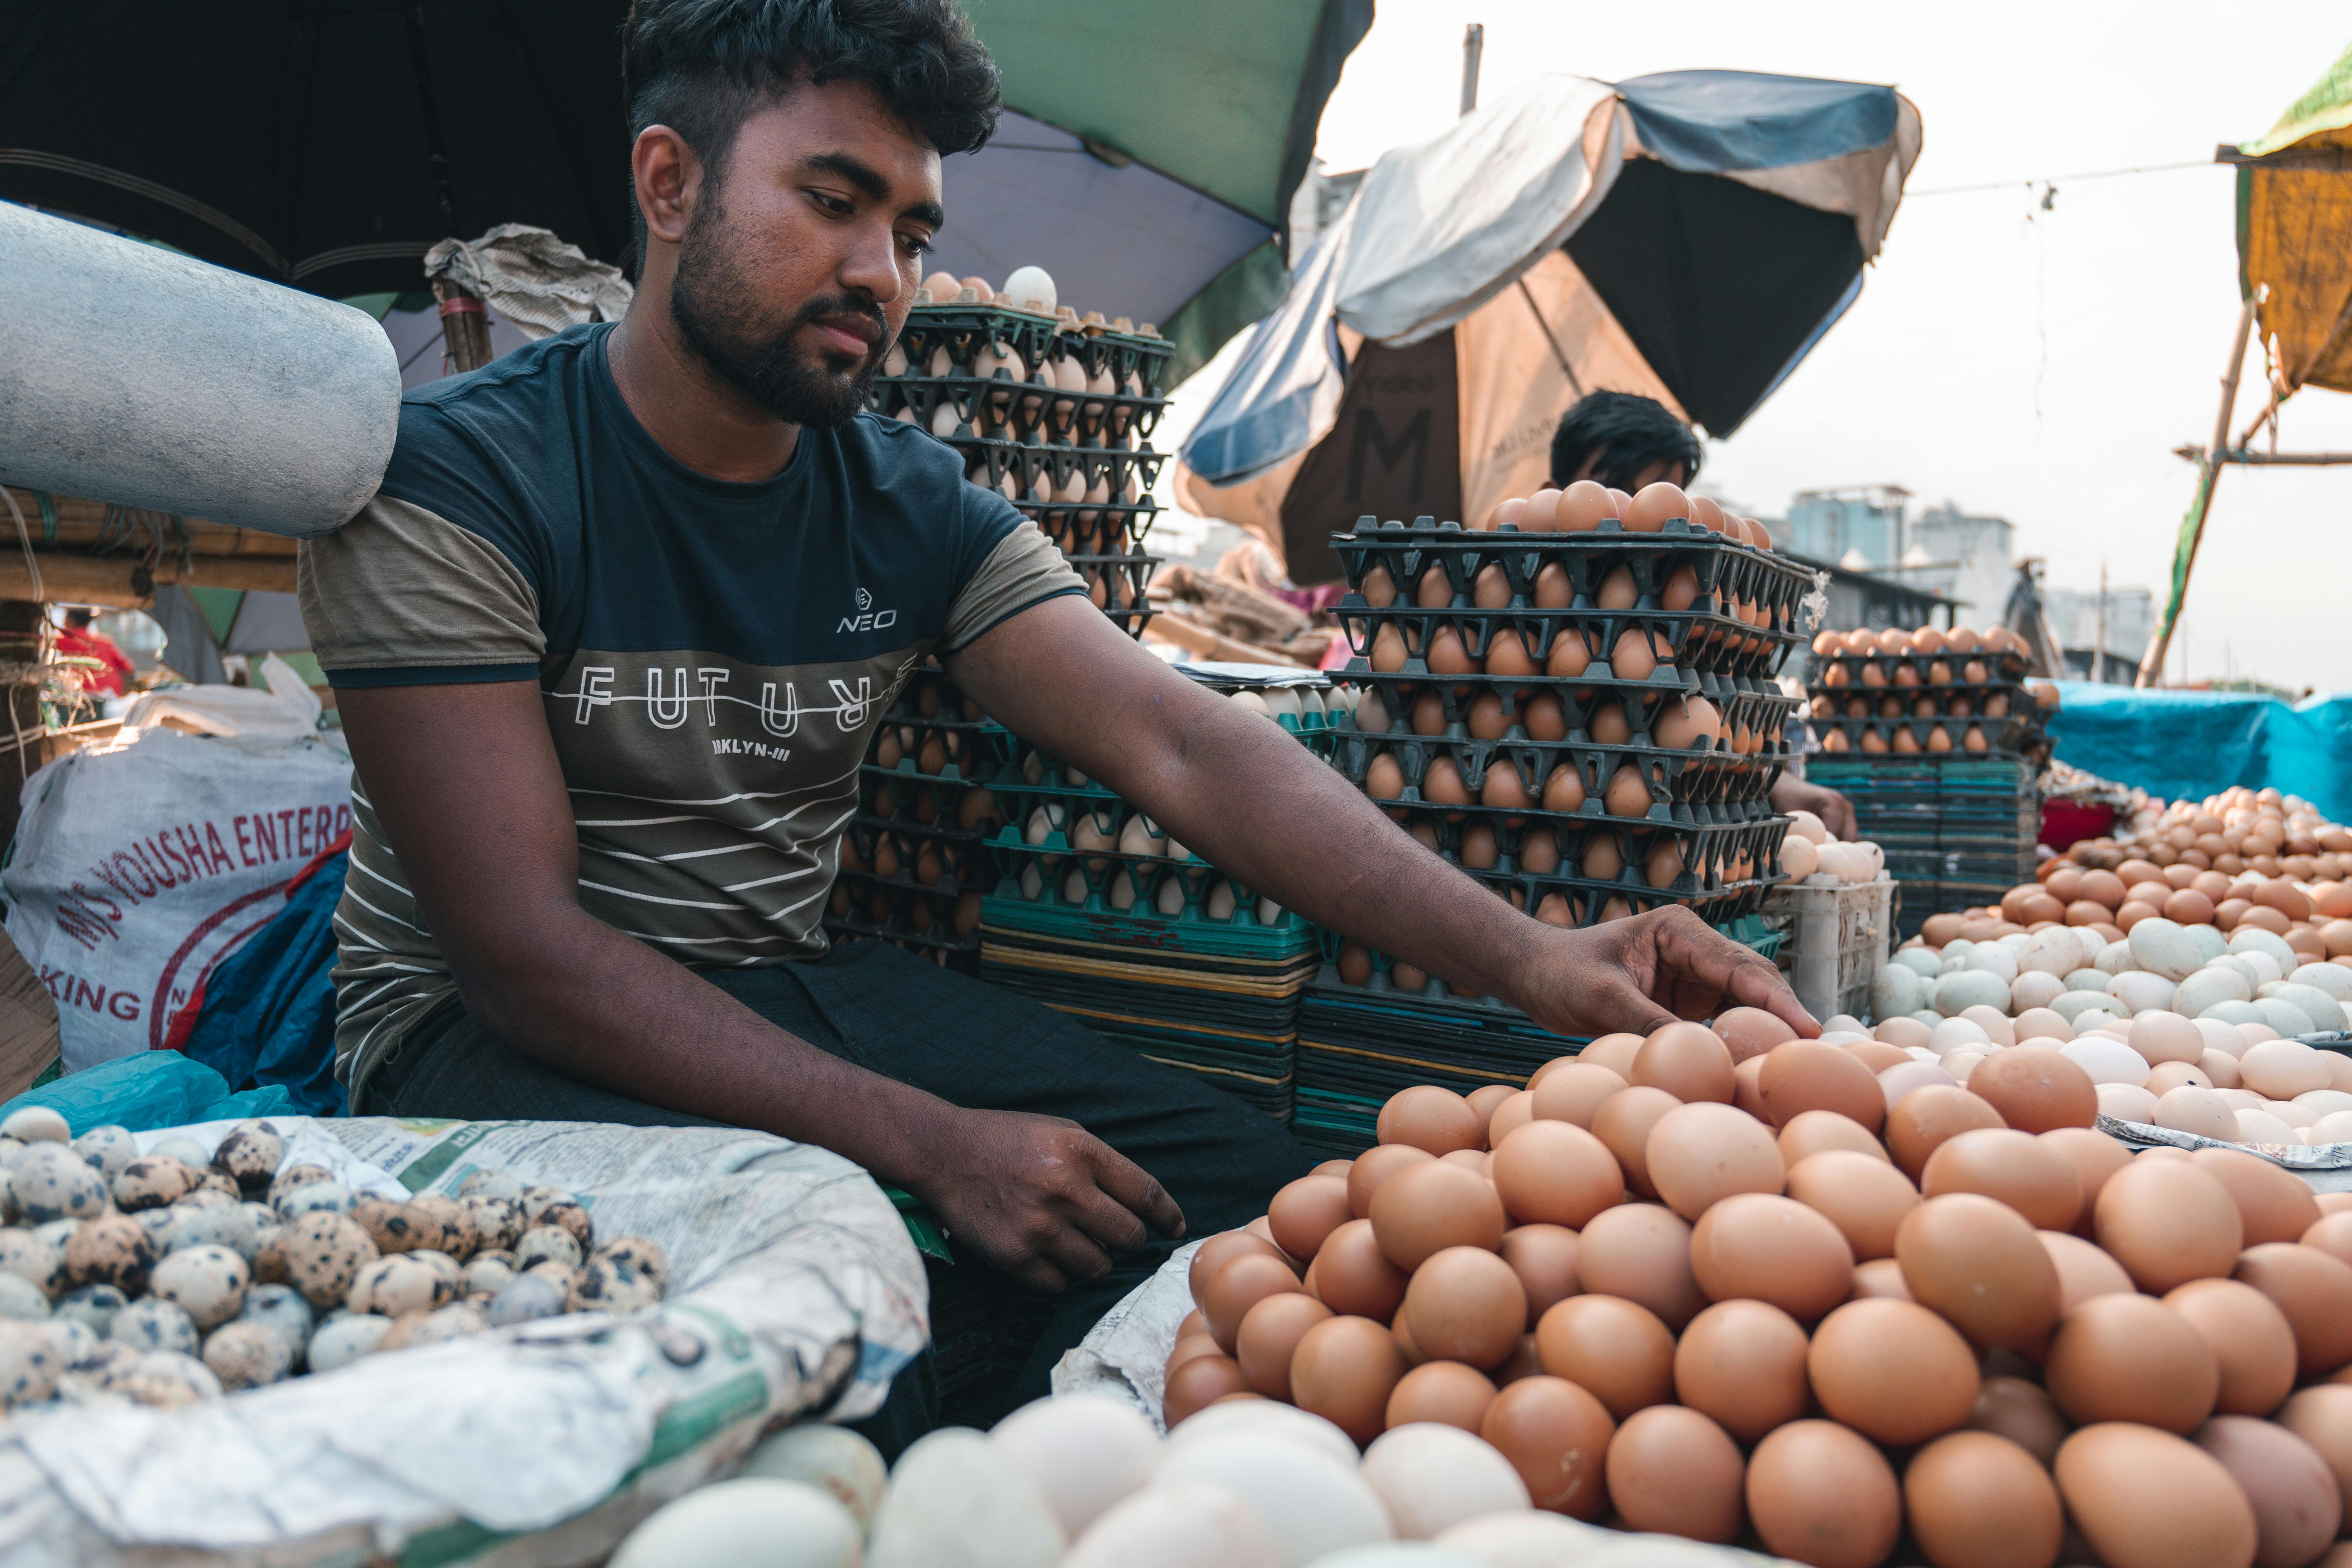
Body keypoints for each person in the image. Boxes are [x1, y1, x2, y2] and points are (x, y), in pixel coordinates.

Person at [298, 0, 1815, 1438]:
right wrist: (925, 1138)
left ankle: (1000, 1443)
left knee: (1251, 1207)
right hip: (477, 1035)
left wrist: (1533, 959)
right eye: (830, 200)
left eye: (909, 230)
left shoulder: (904, 502)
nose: (878, 270)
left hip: (781, 973)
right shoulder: (459, 478)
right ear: (669, 181)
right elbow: (520, 951)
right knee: (836, 1309)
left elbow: (1180, 743)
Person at [1548, 394, 1855, 838]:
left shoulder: (1681, 610)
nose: (1639, 521)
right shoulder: (1517, 605)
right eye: (1617, 493)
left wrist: (1775, 783)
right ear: (1551, 496)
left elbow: (1699, 723)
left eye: (1663, 501)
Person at [55, 608, 134, 697]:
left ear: (71, 621)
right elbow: (129, 668)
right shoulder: (105, 641)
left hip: (79, 697)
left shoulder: (59, 642)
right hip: (111, 697)